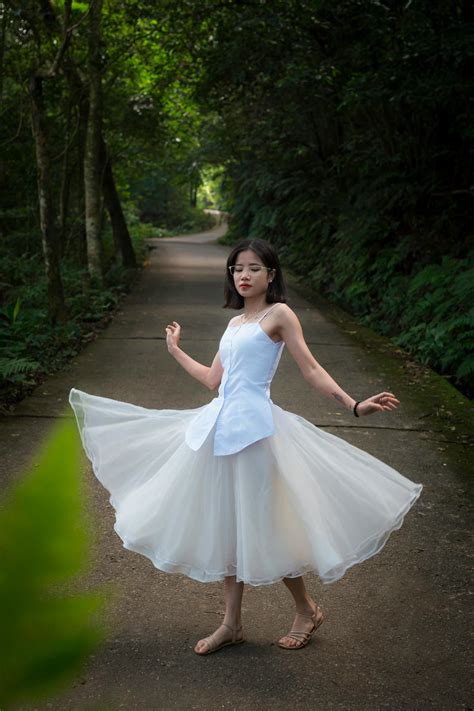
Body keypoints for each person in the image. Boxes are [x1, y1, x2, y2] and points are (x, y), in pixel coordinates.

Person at [69, 238, 422, 656]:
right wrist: (175, 351)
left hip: (257, 432)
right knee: (228, 524)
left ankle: (306, 609)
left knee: (265, 522)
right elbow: (213, 381)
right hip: (220, 430)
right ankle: (231, 624)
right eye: (237, 269)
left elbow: (310, 369)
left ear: (270, 274)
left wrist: (354, 405)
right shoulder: (234, 324)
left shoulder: (280, 315)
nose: (244, 275)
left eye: (254, 268)